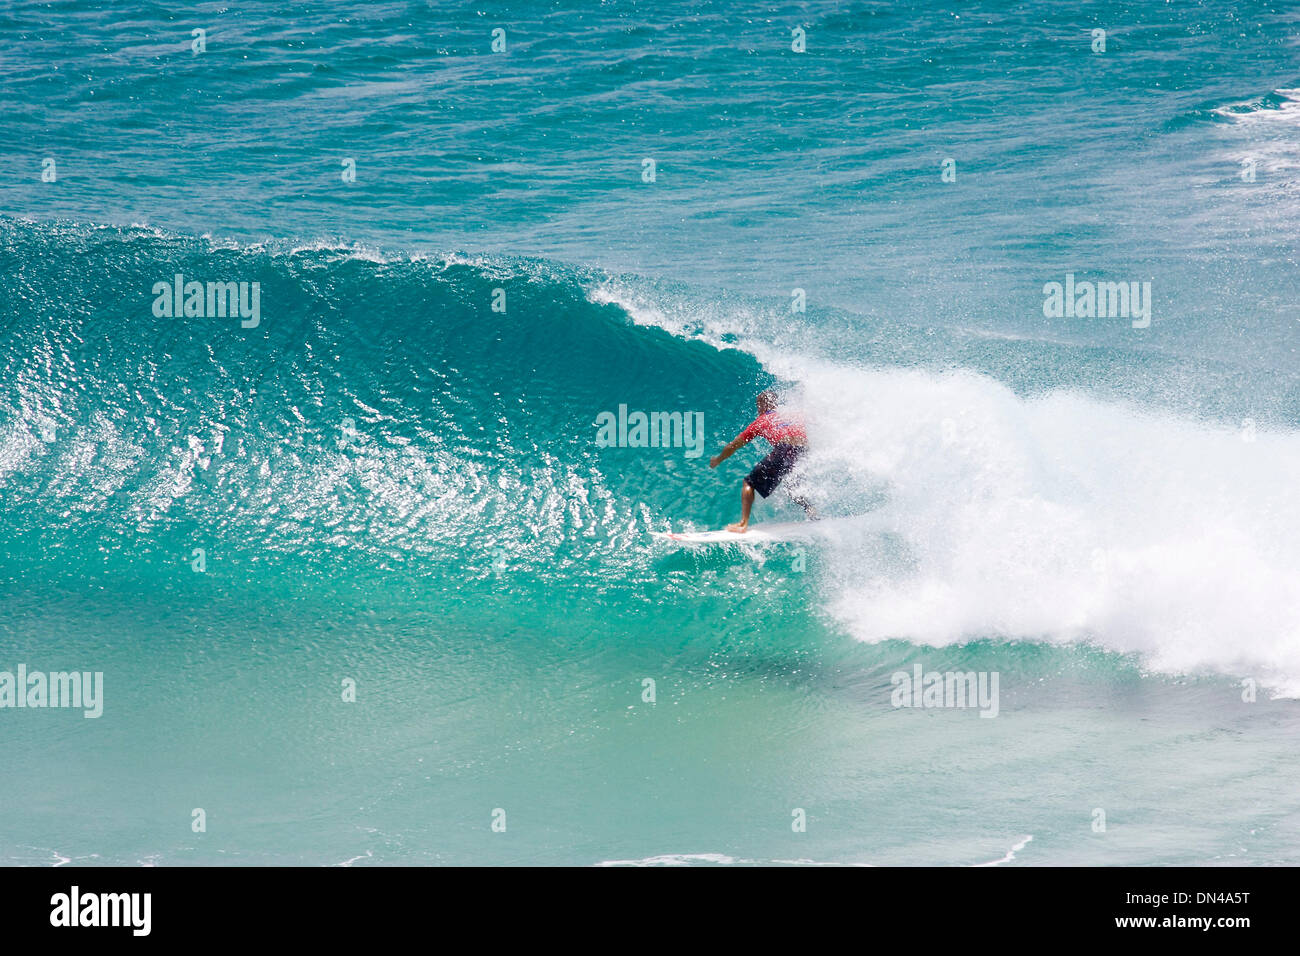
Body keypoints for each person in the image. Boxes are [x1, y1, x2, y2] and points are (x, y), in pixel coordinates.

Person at [709, 390, 815, 532]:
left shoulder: (761, 421)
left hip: (785, 448)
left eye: (758, 406)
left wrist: (718, 459)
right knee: (793, 487)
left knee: (748, 483)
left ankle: (743, 524)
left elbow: (733, 446)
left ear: (763, 405)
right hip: (803, 451)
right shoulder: (792, 414)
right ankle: (811, 510)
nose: (758, 409)